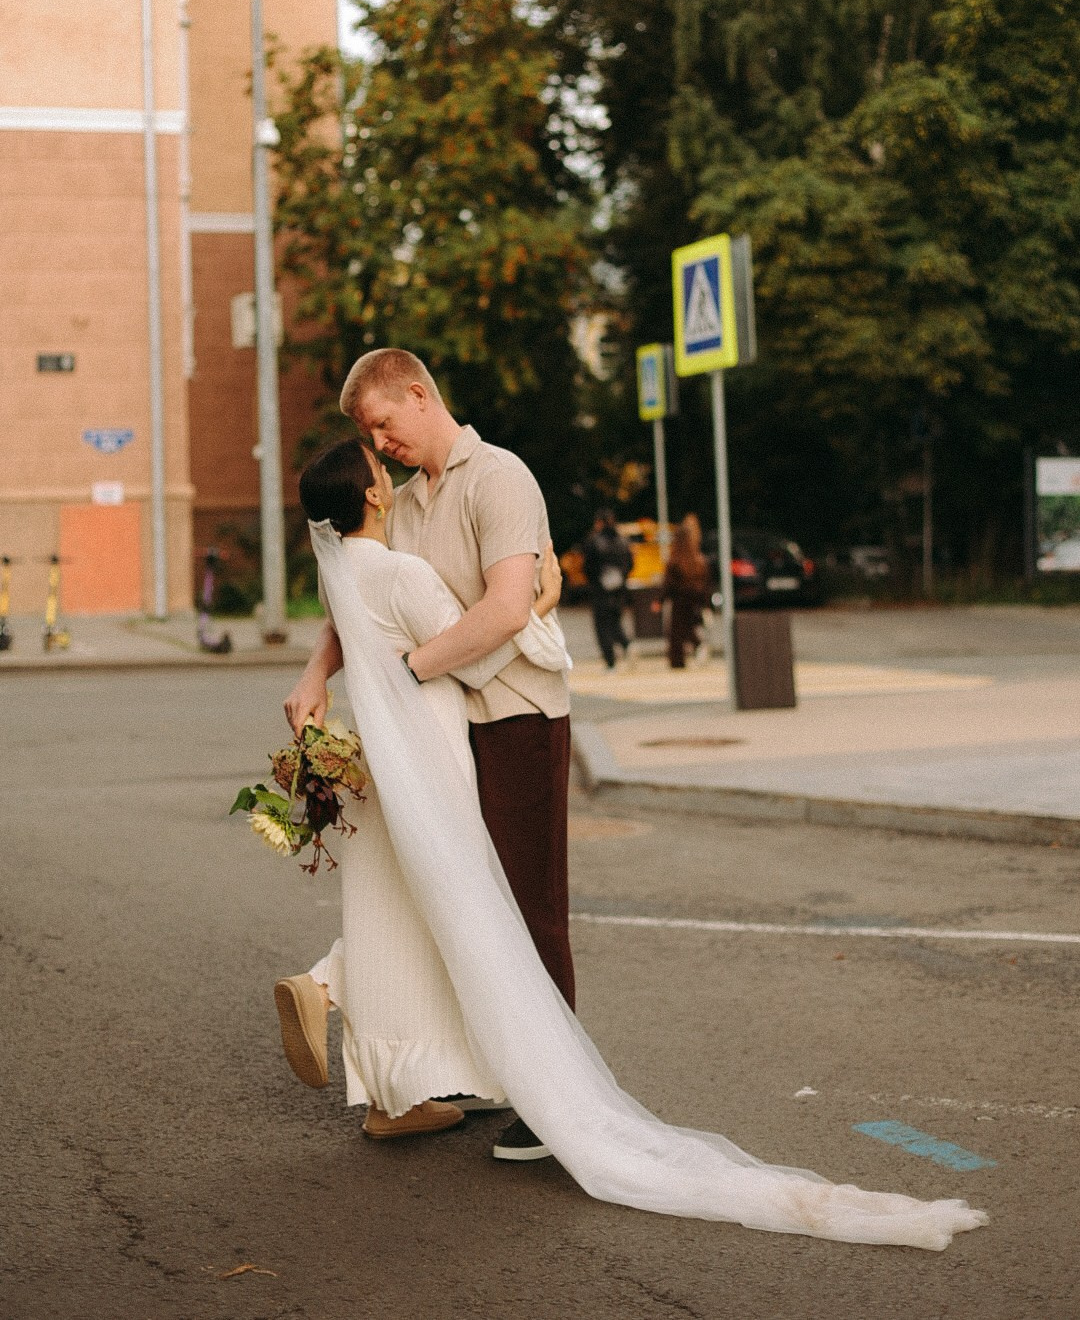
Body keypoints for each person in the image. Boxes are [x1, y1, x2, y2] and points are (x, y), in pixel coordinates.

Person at [293, 508, 989, 1249]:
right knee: (463, 914)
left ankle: (365, 1034)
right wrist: (536, 605)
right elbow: (471, 650)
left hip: (381, 751)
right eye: (375, 456)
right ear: (368, 492)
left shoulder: (347, 570)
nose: (386, 461)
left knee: (407, 911)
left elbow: (353, 625)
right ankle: (347, 991)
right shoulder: (401, 567)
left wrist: (318, 668)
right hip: (432, 748)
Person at [284, 348, 574, 1162]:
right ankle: (486, 1069)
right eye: (368, 435)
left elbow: (507, 608)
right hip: (444, 728)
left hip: (514, 715)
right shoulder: (404, 504)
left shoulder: (500, 478)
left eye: (382, 423)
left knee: (528, 906)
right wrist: (319, 670)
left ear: (419, 395)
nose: (380, 442)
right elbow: (362, 595)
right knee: (455, 899)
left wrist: (402, 673)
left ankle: (552, 1102)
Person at [582, 509, 632, 669]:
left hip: (600, 589)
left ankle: (610, 660)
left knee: (602, 625)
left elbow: (588, 567)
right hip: (619, 588)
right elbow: (630, 563)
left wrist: (595, 580)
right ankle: (627, 646)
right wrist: (622, 577)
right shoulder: (622, 541)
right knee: (615, 620)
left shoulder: (594, 541)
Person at [662, 512, 711, 669]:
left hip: (679, 599)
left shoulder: (675, 559)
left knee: (677, 631)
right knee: (690, 627)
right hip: (695, 598)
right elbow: (705, 582)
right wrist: (707, 603)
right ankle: (698, 646)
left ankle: (678, 661)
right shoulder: (698, 559)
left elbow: (669, 582)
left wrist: (660, 599)